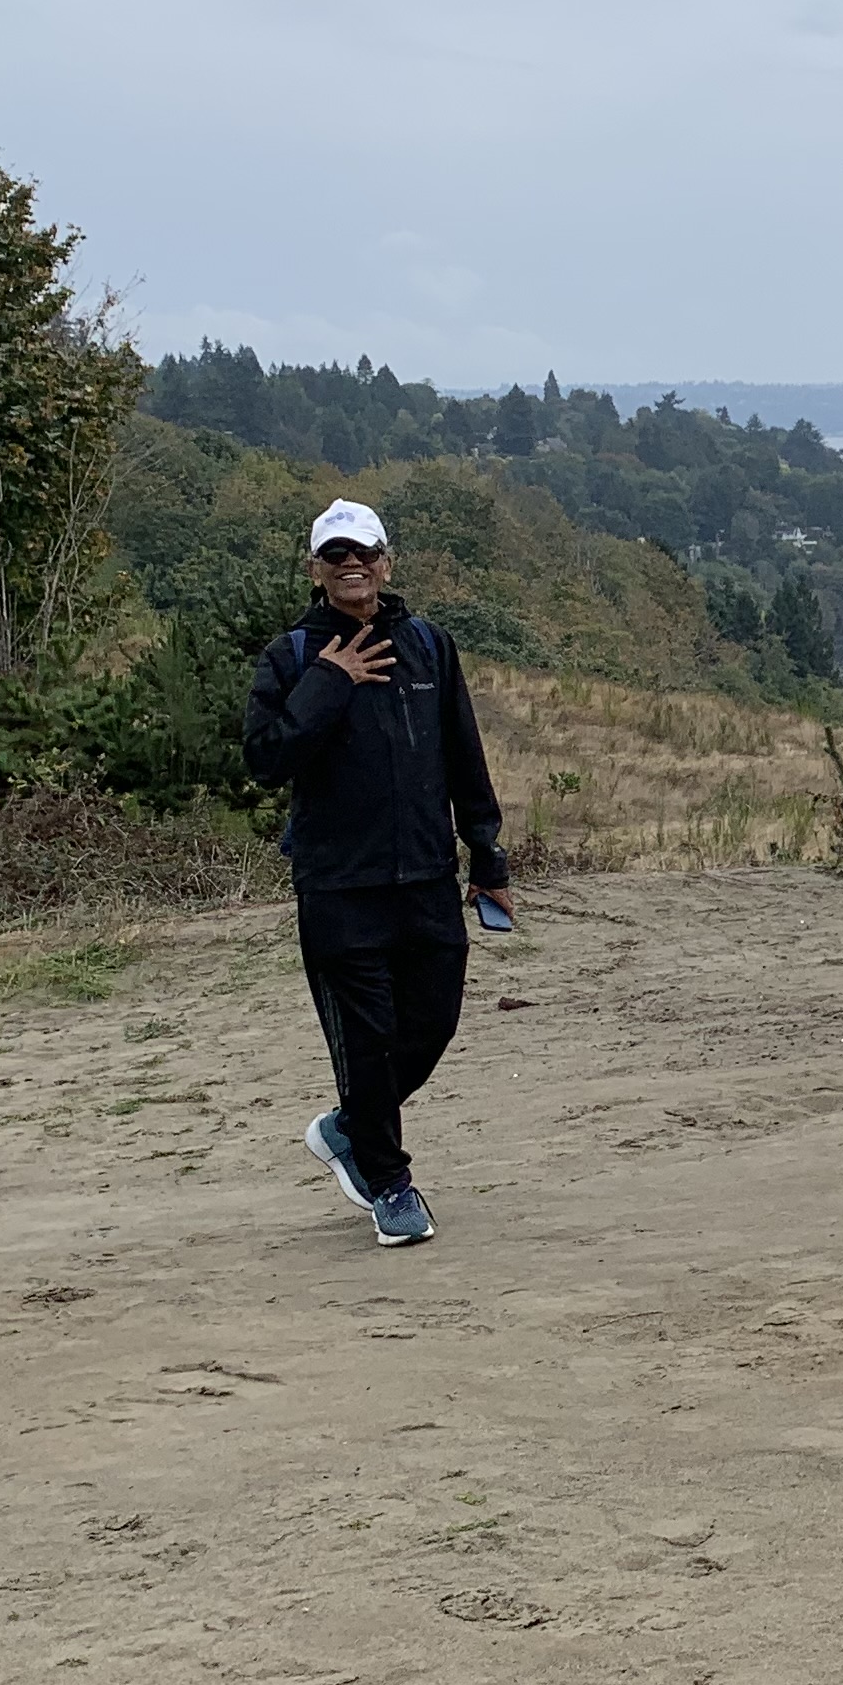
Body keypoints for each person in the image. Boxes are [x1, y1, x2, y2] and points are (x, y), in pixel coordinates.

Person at [241, 500, 512, 1248]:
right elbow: (264, 760)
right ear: (315, 570)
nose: (350, 565)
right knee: (366, 1039)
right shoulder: (292, 656)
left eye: (362, 552)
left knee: (431, 1024)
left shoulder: (429, 645)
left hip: (425, 879)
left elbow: (464, 755)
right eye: (335, 556)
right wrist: (329, 683)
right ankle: (390, 1186)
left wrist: (486, 857)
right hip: (337, 889)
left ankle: (349, 1127)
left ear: (386, 561)